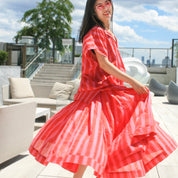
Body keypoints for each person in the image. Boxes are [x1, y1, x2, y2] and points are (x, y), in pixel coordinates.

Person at [29, 0, 177, 177]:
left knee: (96, 144)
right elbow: (104, 64)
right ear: (93, 12)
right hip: (96, 95)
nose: (106, 8)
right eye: (99, 5)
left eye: (107, 2)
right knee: (98, 142)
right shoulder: (96, 32)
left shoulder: (109, 34)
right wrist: (134, 82)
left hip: (108, 93)